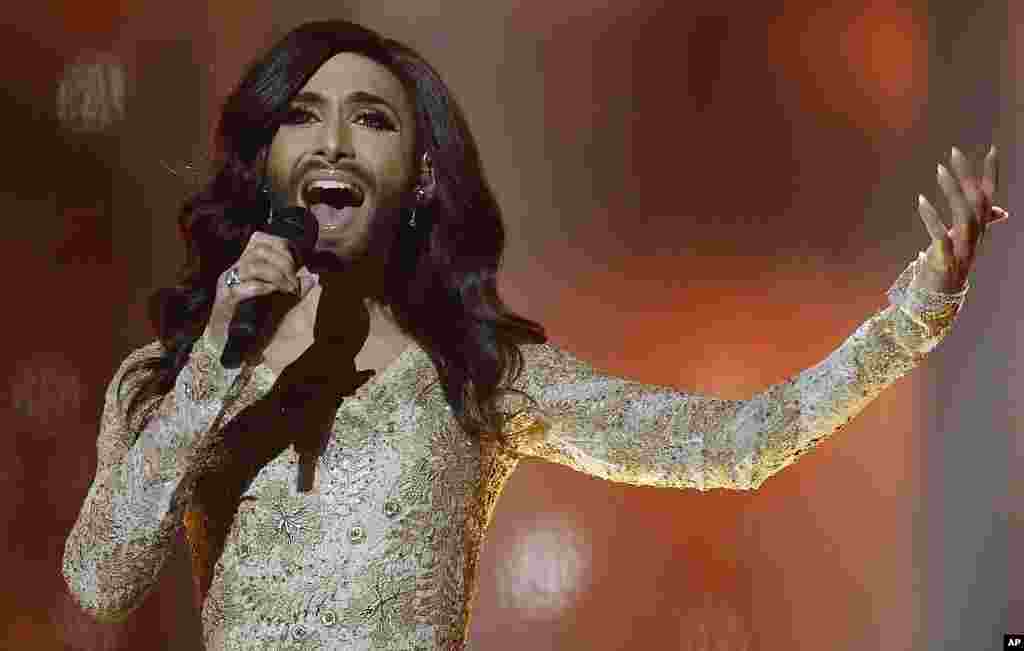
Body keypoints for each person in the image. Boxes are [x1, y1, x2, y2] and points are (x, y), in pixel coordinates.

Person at [61, 19, 1007, 651]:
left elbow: (732, 447)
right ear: (266, 161)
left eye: (373, 120)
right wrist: (218, 364)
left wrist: (914, 314)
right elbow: (101, 580)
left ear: (421, 176)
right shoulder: (172, 377)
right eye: (301, 116)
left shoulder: (479, 374)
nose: (336, 144)